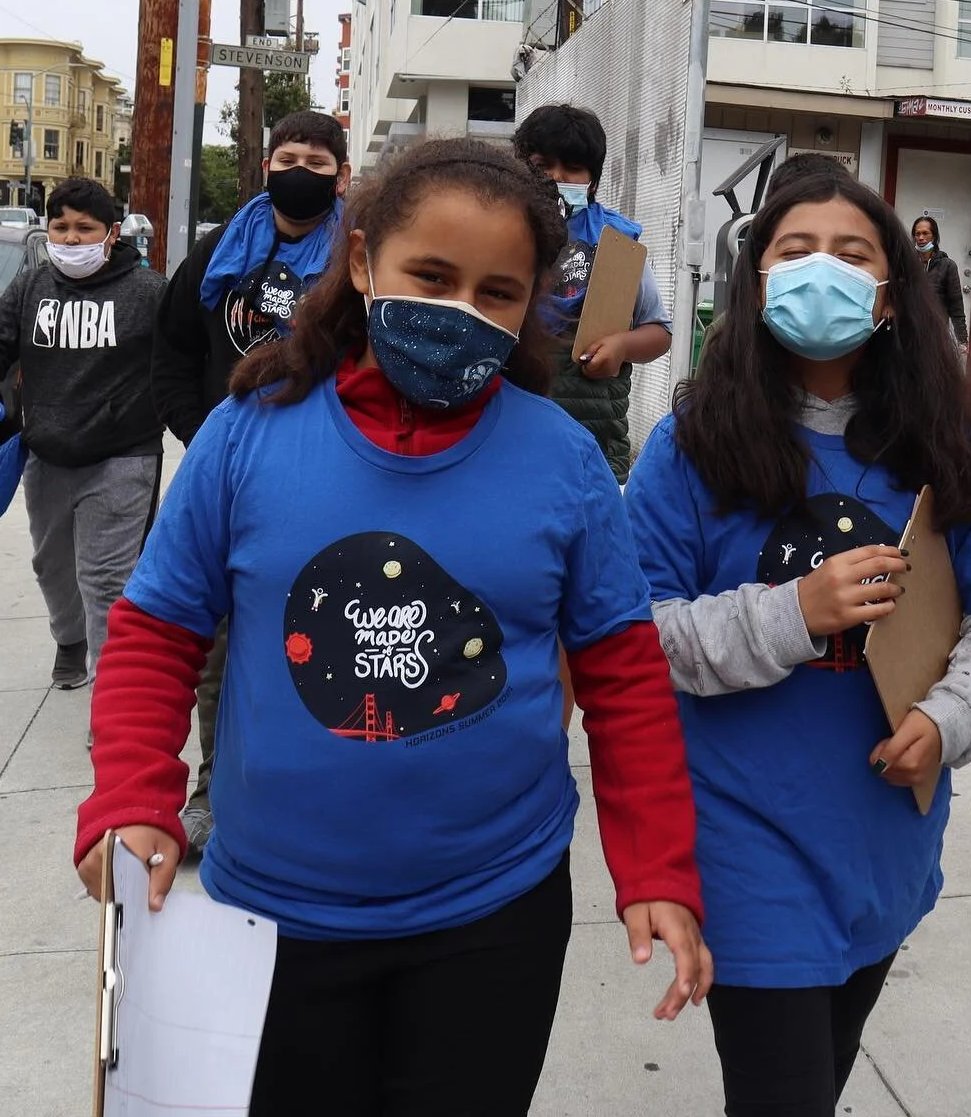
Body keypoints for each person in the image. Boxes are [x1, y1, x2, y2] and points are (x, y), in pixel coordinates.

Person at [75, 138, 711, 1117]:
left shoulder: (565, 464)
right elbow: (158, 634)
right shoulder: (248, 435)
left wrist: (657, 868)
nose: (461, 310)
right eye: (432, 275)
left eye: (497, 291)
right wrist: (131, 794)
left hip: (492, 918)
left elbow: (624, 680)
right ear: (365, 261)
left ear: (532, 305)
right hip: (274, 916)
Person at [625, 163, 971, 1117]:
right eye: (793, 251)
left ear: (890, 295)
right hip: (742, 840)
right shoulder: (689, 448)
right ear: (755, 282)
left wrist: (951, 716)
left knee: (822, 1072)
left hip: (883, 840)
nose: (823, 270)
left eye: (852, 255)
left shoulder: (942, 444)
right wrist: (792, 613)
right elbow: (634, 638)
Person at [152, 108, 349, 857]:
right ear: (266, 166)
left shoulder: (354, 263)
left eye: (318, 162)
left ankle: (309, 793)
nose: (301, 170)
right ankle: (212, 793)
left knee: (315, 636)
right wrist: (203, 441)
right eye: (288, 156)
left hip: (323, 479)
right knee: (219, 644)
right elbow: (170, 353)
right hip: (227, 485)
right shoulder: (217, 254)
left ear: (341, 177)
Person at [0, 177, 166, 709]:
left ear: (112, 233)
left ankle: (113, 705)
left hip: (123, 458)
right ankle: (68, 640)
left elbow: (184, 360)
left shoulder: (149, 294)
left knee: (107, 580)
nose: (70, 240)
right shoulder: (32, 285)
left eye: (84, 229)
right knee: (52, 566)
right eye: (60, 227)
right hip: (47, 454)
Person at [513, 103, 671, 483]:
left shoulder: (615, 245)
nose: (556, 176)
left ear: (593, 181)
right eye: (542, 164)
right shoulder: (498, 236)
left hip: (593, 444)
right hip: (512, 435)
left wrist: (621, 347)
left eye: (573, 168)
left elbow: (659, 332)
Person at [911, 215, 969, 349]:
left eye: (925, 233)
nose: (921, 238)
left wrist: (962, 340)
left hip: (935, 333)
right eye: (917, 234)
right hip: (909, 331)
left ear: (934, 237)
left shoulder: (947, 266)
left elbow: (956, 305)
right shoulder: (907, 262)